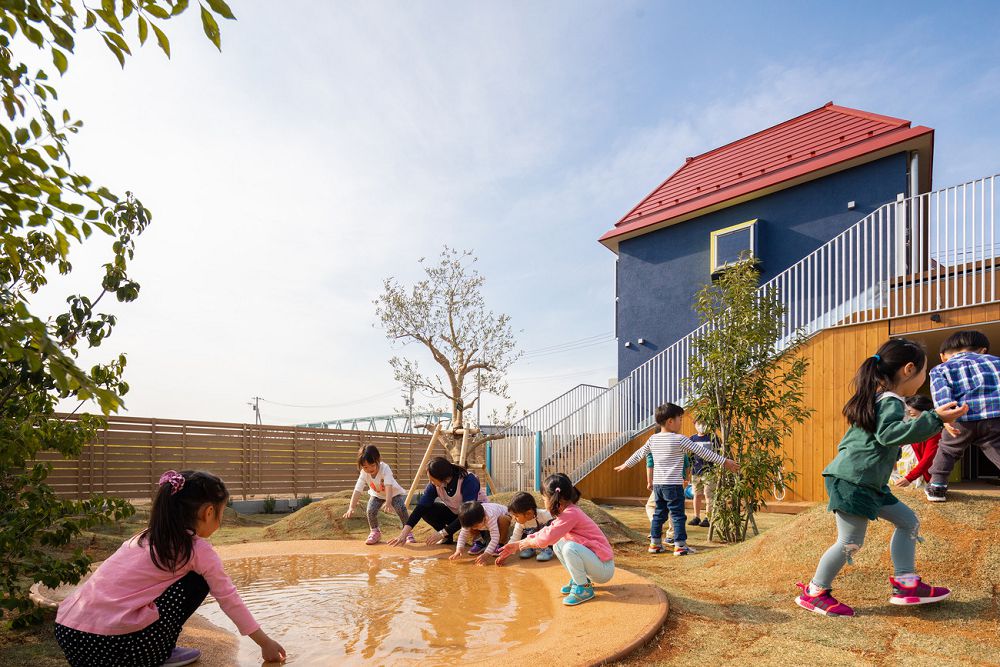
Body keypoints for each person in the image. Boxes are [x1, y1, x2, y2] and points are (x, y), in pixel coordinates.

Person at [795, 339, 966, 618]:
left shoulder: (880, 399)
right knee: (850, 542)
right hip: (854, 482)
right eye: (924, 372)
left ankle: (906, 583)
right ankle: (814, 592)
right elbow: (888, 434)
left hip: (867, 482)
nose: (924, 379)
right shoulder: (891, 401)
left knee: (908, 521)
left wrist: (935, 421)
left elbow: (881, 434)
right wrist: (934, 417)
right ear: (909, 370)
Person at [54, 470, 286, 667]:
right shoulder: (197, 550)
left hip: (70, 636)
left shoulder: (141, 538)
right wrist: (265, 643)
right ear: (208, 512)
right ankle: (160, 652)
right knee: (199, 579)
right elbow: (228, 597)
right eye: (222, 512)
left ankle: (156, 646)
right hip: (117, 648)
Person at [615, 403, 738, 556]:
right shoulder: (680, 439)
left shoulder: (653, 439)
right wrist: (725, 461)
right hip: (673, 485)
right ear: (670, 422)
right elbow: (703, 453)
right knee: (678, 515)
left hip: (658, 486)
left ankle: (655, 544)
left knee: (659, 514)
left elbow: (640, 454)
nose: (681, 422)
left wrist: (626, 465)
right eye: (680, 419)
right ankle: (680, 546)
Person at [497, 473, 615, 606]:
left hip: (604, 569)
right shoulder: (566, 513)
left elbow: (547, 538)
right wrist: (518, 544)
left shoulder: (571, 514)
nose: (543, 502)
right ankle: (580, 580)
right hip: (595, 565)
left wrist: (522, 544)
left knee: (570, 548)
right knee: (559, 543)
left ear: (554, 499)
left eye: (544, 498)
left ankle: (584, 589)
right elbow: (548, 532)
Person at [926, 330, 1000, 502]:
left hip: (961, 417)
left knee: (948, 450)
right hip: (995, 417)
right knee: (996, 447)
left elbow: (942, 395)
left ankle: (937, 487)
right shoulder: (997, 362)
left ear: (943, 356)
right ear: (983, 350)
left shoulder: (941, 368)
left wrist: (946, 419)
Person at [387, 457, 486, 547]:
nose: (431, 482)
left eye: (432, 480)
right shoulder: (434, 485)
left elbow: (468, 514)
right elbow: (420, 509)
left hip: (478, 515)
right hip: (456, 513)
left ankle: (480, 538)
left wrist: (442, 533)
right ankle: (448, 537)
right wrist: (403, 534)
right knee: (426, 510)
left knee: (475, 520)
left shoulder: (468, 480)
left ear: (442, 477)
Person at [342, 445, 415, 545]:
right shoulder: (364, 472)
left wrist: (388, 502)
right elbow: (358, 489)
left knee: (400, 508)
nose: (369, 469)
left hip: (392, 493)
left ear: (378, 460)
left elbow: (388, 485)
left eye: (372, 465)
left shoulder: (385, 468)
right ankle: (375, 531)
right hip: (377, 494)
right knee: (370, 510)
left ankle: (407, 532)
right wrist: (351, 507)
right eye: (365, 467)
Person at [893, 395, 942, 489]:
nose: (909, 415)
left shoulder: (933, 433)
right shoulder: (908, 427)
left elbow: (928, 459)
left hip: (916, 477)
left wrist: (909, 478)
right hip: (902, 473)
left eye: (913, 415)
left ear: (925, 412)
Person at [643, 450, 690, 545]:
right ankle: (672, 536)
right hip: (677, 481)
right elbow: (686, 464)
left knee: (652, 507)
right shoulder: (678, 443)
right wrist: (686, 479)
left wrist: (649, 481)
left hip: (661, 481)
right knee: (675, 510)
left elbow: (650, 464)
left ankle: (656, 530)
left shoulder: (652, 446)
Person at [449, 501, 511, 565]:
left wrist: (486, 554)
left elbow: (495, 537)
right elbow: (462, 534)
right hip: (483, 521)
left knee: (503, 519)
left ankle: (501, 544)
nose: (474, 528)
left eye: (476, 526)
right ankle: (480, 542)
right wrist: (459, 549)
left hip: (504, 515)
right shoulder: (470, 518)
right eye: (472, 526)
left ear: (484, 518)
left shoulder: (490, 516)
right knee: (470, 527)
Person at [497, 492, 554, 563]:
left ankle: (548, 550)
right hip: (532, 543)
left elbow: (554, 533)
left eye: (516, 516)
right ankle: (530, 548)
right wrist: (505, 554)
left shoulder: (545, 515)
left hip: (546, 543)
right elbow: (515, 538)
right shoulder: (520, 523)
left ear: (528, 513)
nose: (514, 518)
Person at [688, 421, 718, 528]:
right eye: (699, 423)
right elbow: (689, 456)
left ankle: (708, 517)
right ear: (695, 424)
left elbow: (719, 452)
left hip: (709, 471)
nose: (702, 426)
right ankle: (696, 517)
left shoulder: (713, 437)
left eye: (704, 423)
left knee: (708, 494)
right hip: (696, 472)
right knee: (696, 494)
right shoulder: (692, 439)